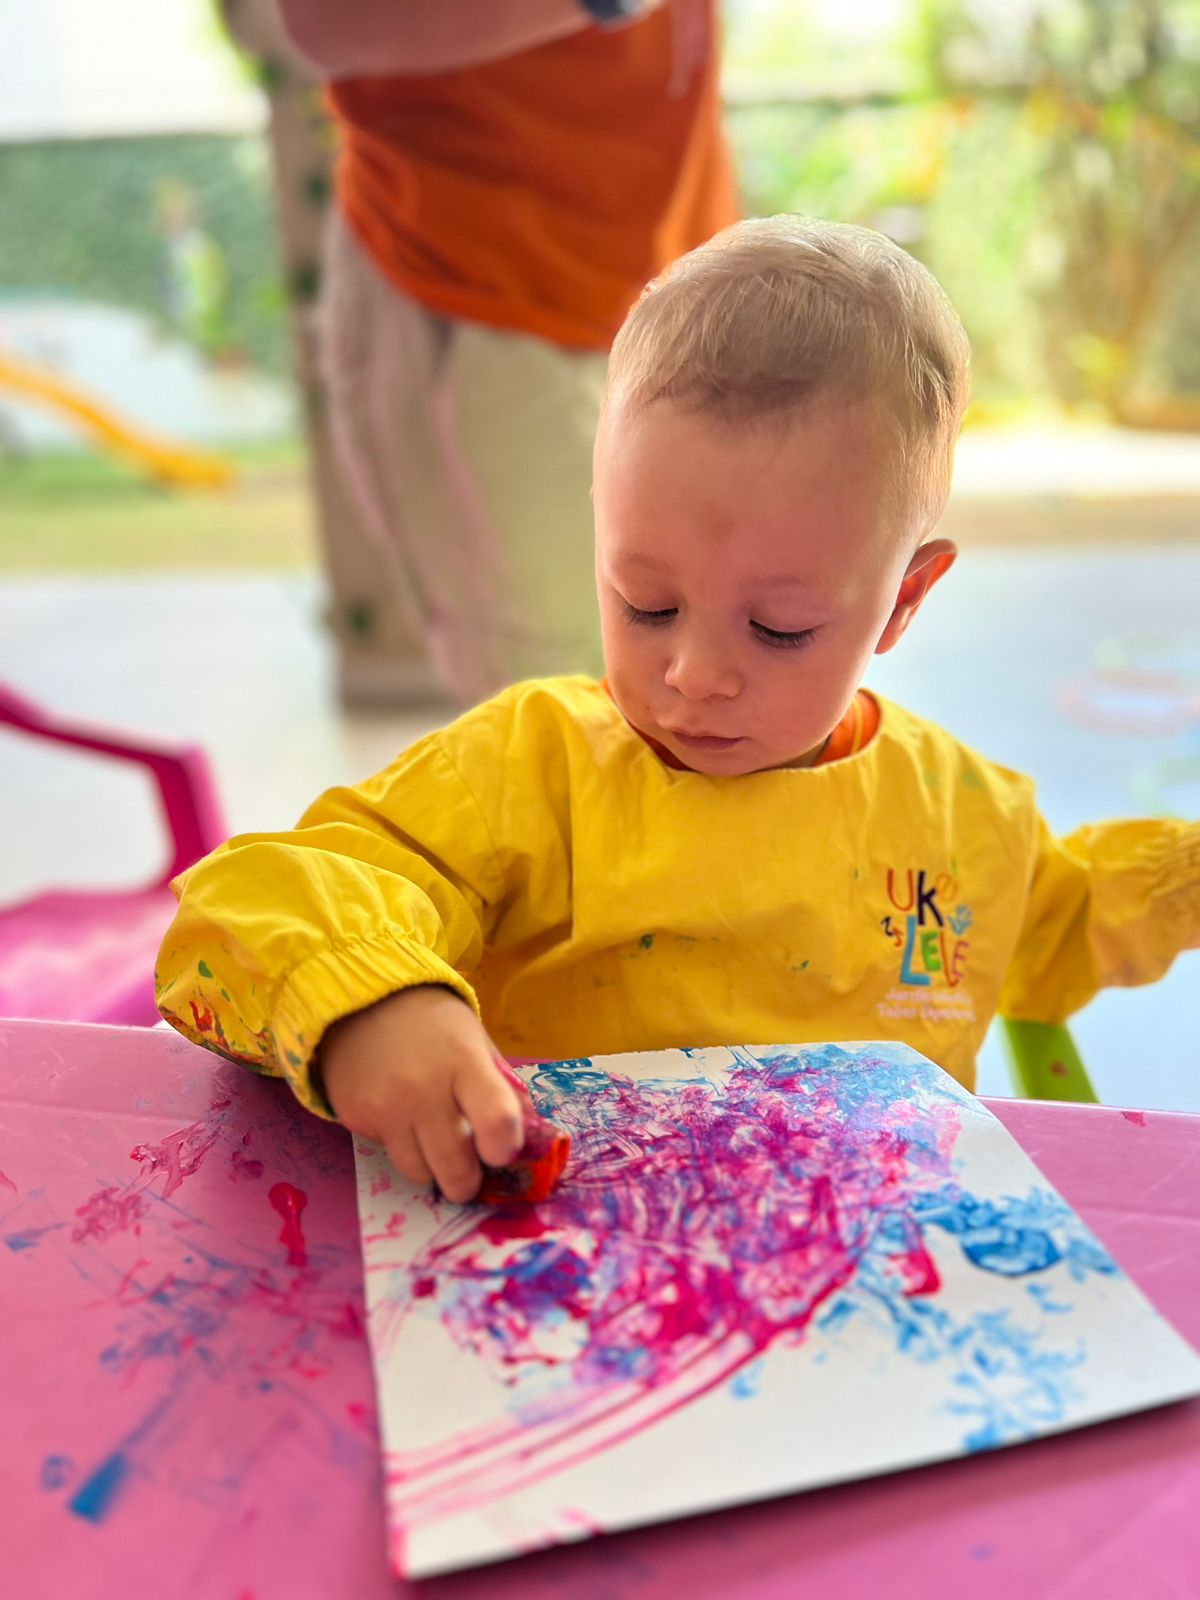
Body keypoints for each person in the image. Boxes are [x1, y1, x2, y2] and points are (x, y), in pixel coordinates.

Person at [156, 215, 1199, 1204]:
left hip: (879, 1292)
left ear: (904, 600)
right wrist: (366, 1005)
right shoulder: (528, 770)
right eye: (646, 601)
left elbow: (1063, 920)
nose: (696, 673)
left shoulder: (965, 816)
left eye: (780, 627)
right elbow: (250, 904)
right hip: (566, 1285)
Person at [271, 0, 739, 706]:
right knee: (574, 716)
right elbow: (322, 20)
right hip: (479, 284)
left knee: (713, 691)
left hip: (667, 285)